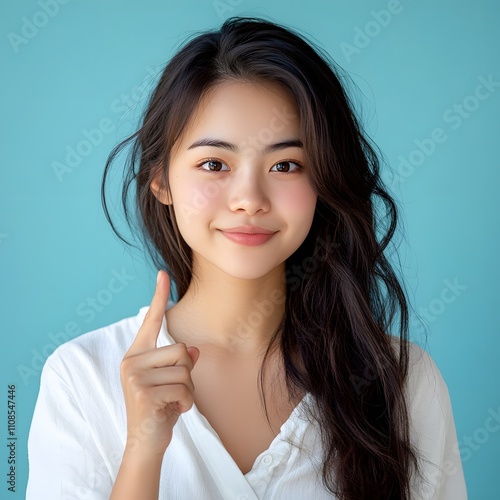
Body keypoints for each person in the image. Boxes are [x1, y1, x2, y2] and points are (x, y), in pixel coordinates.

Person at [27, 17, 467, 500]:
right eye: (214, 164)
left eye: (285, 165)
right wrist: (143, 451)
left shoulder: (401, 378)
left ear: (323, 181)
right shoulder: (81, 378)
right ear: (161, 182)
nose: (249, 199)